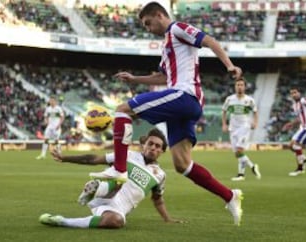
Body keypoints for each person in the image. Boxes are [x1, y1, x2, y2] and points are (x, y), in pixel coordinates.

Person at [89, 2, 243, 225]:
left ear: (159, 15)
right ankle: (230, 196)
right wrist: (135, 79)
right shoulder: (167, 46)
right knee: (183, 164)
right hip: (182, 103)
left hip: (185, 96)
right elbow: (163, 78)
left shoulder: (177, 28)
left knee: (122, 110)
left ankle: (119, 171)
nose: (148, 28)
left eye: (148, 23)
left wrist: (229, 65)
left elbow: (208, 40)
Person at [39, 128, 183, 229]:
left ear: (162, 151)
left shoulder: (160, 175)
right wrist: (64, 158)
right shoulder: (127, 155)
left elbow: (157, 199)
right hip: (107, 190)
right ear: (143, 145)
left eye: (158, 146)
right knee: (120, 177)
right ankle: (96, 188)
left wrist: (167, 219)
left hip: (116, 207)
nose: (153, 148)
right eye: (150, 144)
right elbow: (94, 159)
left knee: (116, 222)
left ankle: (61, 221)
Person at [222, 77, 261, 181]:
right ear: (235, 87)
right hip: (233, 128)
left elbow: (255, 112)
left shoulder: (249, 100)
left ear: (244, 87)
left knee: (240, 150)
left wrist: (255, 122)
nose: (239, 87)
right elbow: (224, 111)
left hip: (244, 127)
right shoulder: (230, 99)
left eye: (241, 85)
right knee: (237, 153)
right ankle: (246, 170)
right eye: (237, 85)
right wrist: (224, 124)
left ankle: (246, 171)